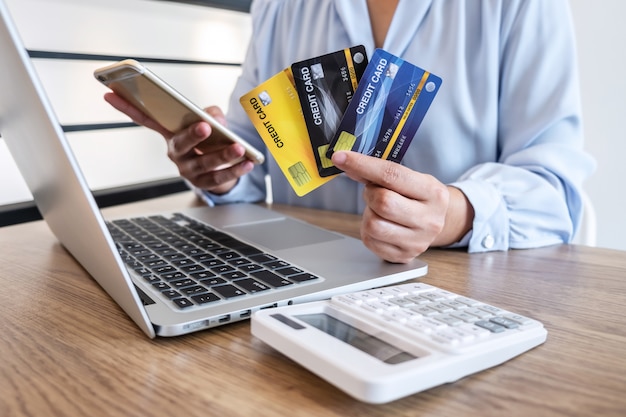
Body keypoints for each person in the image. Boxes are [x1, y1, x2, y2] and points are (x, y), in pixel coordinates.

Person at [105, 0, 595, 264]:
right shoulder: (278, 6)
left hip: (457, 291)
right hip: (301, 281)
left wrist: (453, 215)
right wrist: (218, 168)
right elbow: (248, 168)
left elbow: (555, 193)